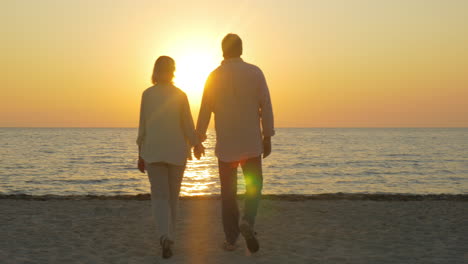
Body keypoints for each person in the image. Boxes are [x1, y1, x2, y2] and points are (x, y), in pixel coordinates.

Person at [194, 33, 275, 253]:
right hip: (251, 143)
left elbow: (204, 110)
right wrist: (267, 136)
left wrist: (198, 138)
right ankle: (248, 220)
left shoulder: (213, 76)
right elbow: (265, 105)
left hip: (227, 146)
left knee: (228, 194)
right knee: (254, 187)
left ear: (223, 51)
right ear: (241, 50)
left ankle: (231, 239)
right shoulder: (255, 73)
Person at [136, 56, 203, 259]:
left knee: (159, 198)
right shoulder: (180, 95)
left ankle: (165, 236)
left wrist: (140, 154)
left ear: (155, 71)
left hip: (154, 151)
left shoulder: (147, 94)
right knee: (173, 198)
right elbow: (187, 125)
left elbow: (143, 127)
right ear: (173, 71)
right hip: (176, 152)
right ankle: (169, 238)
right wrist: (197, 144)